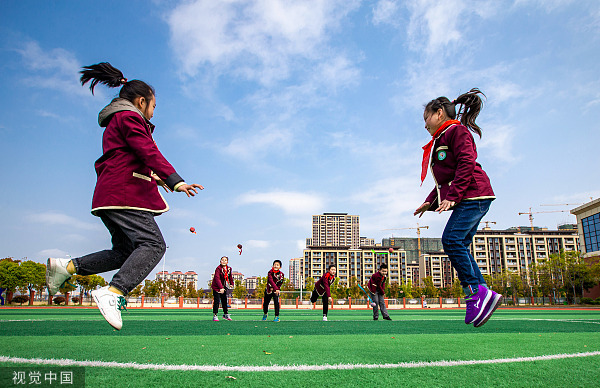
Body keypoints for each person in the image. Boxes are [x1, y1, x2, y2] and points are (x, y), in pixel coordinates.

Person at [45, 62, 203, 330]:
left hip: (110, 195)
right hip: (124, 195)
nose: (153, 115)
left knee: (125, 252)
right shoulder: (130, 117)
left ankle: (68, 267)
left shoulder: (117, 120)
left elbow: (123, 157)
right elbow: (147, 152)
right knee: (153, 245)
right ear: (141, 102)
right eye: (153, 107)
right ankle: (114, 292)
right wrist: (175, 181)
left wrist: (154, 177)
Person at [414, 88, 502, 328]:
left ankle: (475, 292)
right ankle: (482, 292)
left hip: (474, 195)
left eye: (426, 118)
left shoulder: (457, 132)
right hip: (470, 196)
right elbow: (446, 178)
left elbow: (466, 163)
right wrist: (430, 201)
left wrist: (453, 196)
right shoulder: (443, 138)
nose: (425, 125)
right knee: (458, 243)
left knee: (451, 240)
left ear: (439, 113)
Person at [211, 256, 234, 321]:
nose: (224, 261)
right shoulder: (218, 269)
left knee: (224, 301)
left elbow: (230, 277)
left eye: (225, 260)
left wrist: (231, 284)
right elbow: (217, 278)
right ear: (220, 261)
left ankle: (225, 314)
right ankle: (215, 315)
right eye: (222, 260)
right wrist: (220, 288)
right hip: (217, 287)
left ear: (227, 262)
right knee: (217, 301)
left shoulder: (229, 269)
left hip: (224, 287)